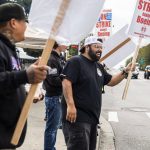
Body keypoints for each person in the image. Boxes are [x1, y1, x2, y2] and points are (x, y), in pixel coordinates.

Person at [61, 36, 134, 150]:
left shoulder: (98, 66)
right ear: (86, 47)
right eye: (96, 47)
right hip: (77, 118)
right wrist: (70, 105)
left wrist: (125, 71)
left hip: (93, 119)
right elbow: (66, 81)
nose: (99, 50)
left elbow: (111, 81)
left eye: (101, 47)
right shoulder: (75, 61)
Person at [0, 3, 48, 149]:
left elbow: (9, 82)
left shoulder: (9, 49)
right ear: (13, 23)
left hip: (8, 137)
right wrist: (25, 75)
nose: (26, 26)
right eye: (25, 22)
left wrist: (27, 94)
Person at [43, 41, 68, 150]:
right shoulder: (52, 59)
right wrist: (65, 77)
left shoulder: (58, 58)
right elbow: (53, 80)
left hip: (56, 97)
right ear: (58, 44)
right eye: (65, 42)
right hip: (54, 97)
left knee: (53, 128)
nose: (67, 44)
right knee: (51, 129)